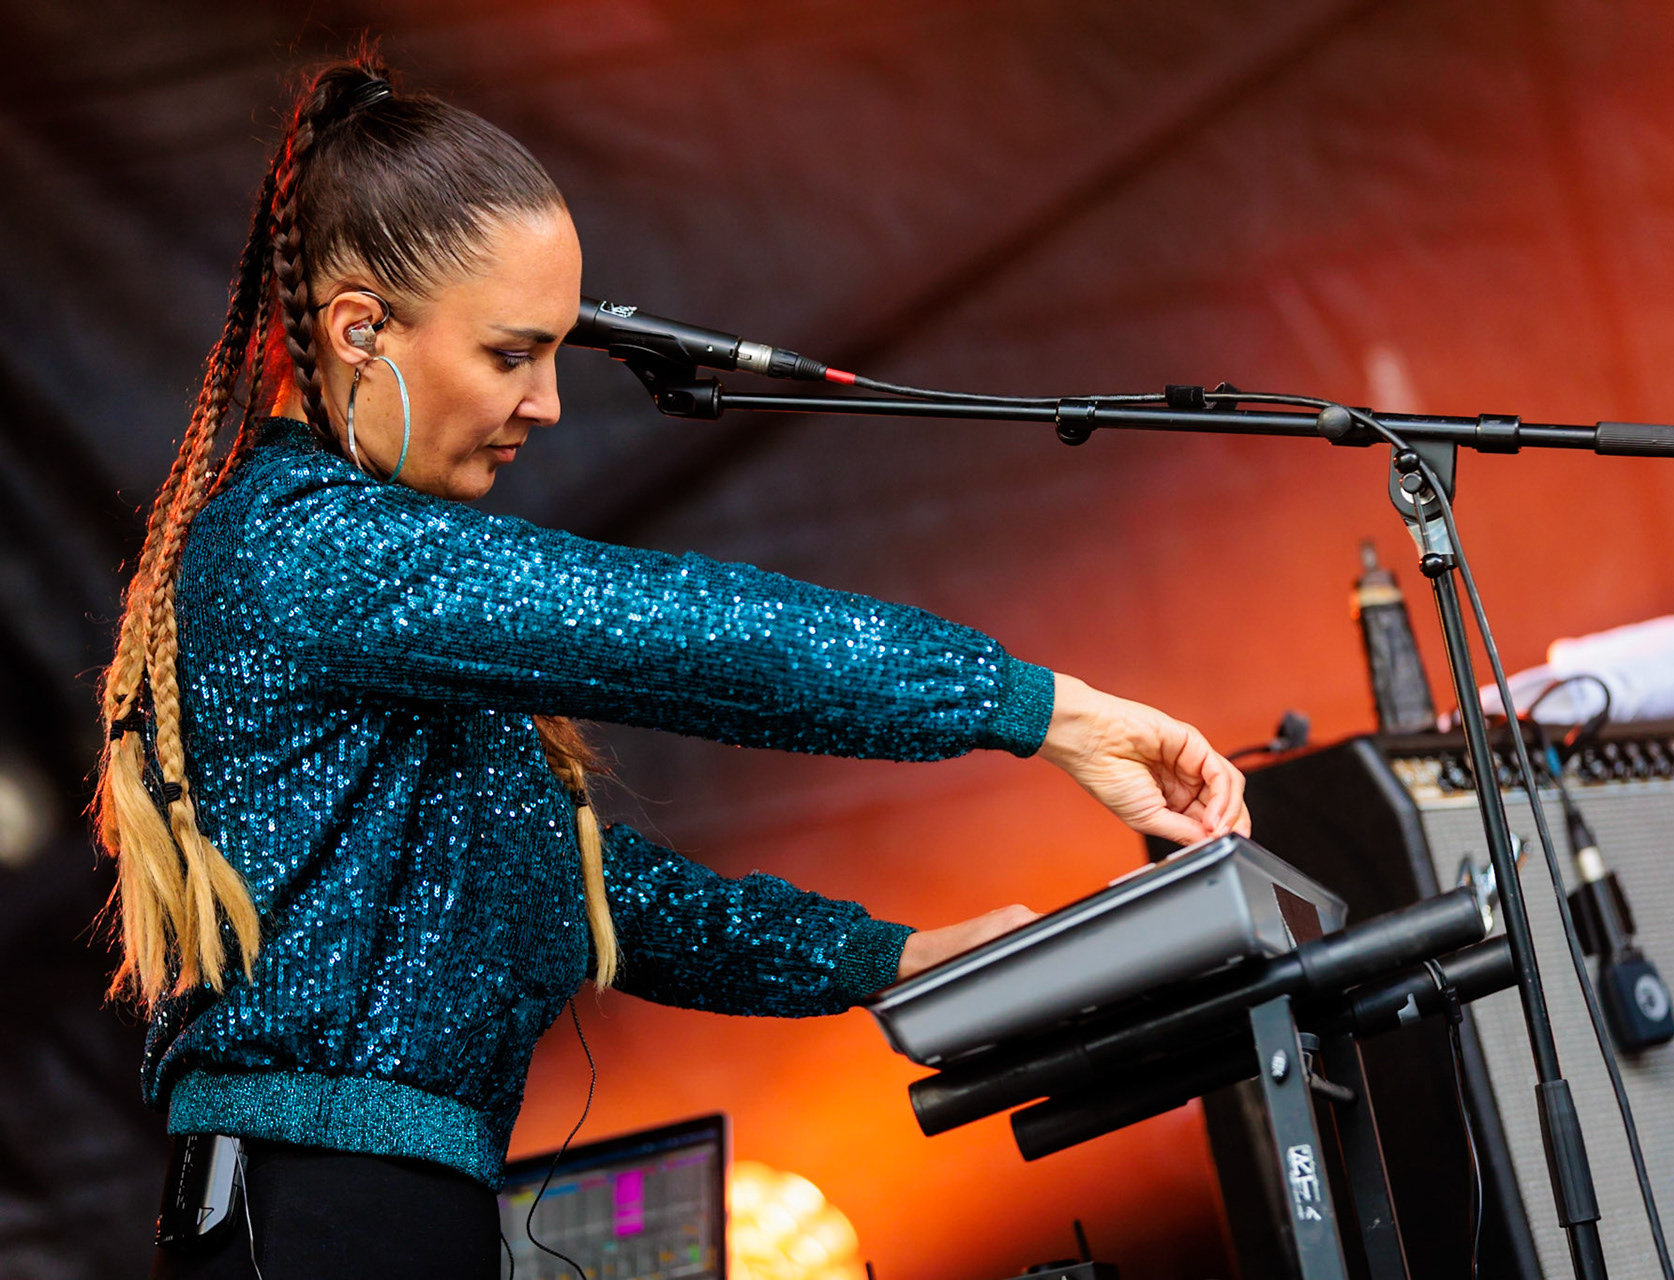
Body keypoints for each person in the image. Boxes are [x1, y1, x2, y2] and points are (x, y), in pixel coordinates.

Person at [96, 55, 1249, 1278]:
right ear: (359, 329)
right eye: (511, 354)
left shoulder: (367, 585)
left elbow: (595, 893)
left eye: (558, 353)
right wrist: (1039, 708)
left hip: (377, 1211)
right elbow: (684, 631)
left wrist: (890, 957)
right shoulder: (303, 545)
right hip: (313, 1216)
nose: (547, 402)